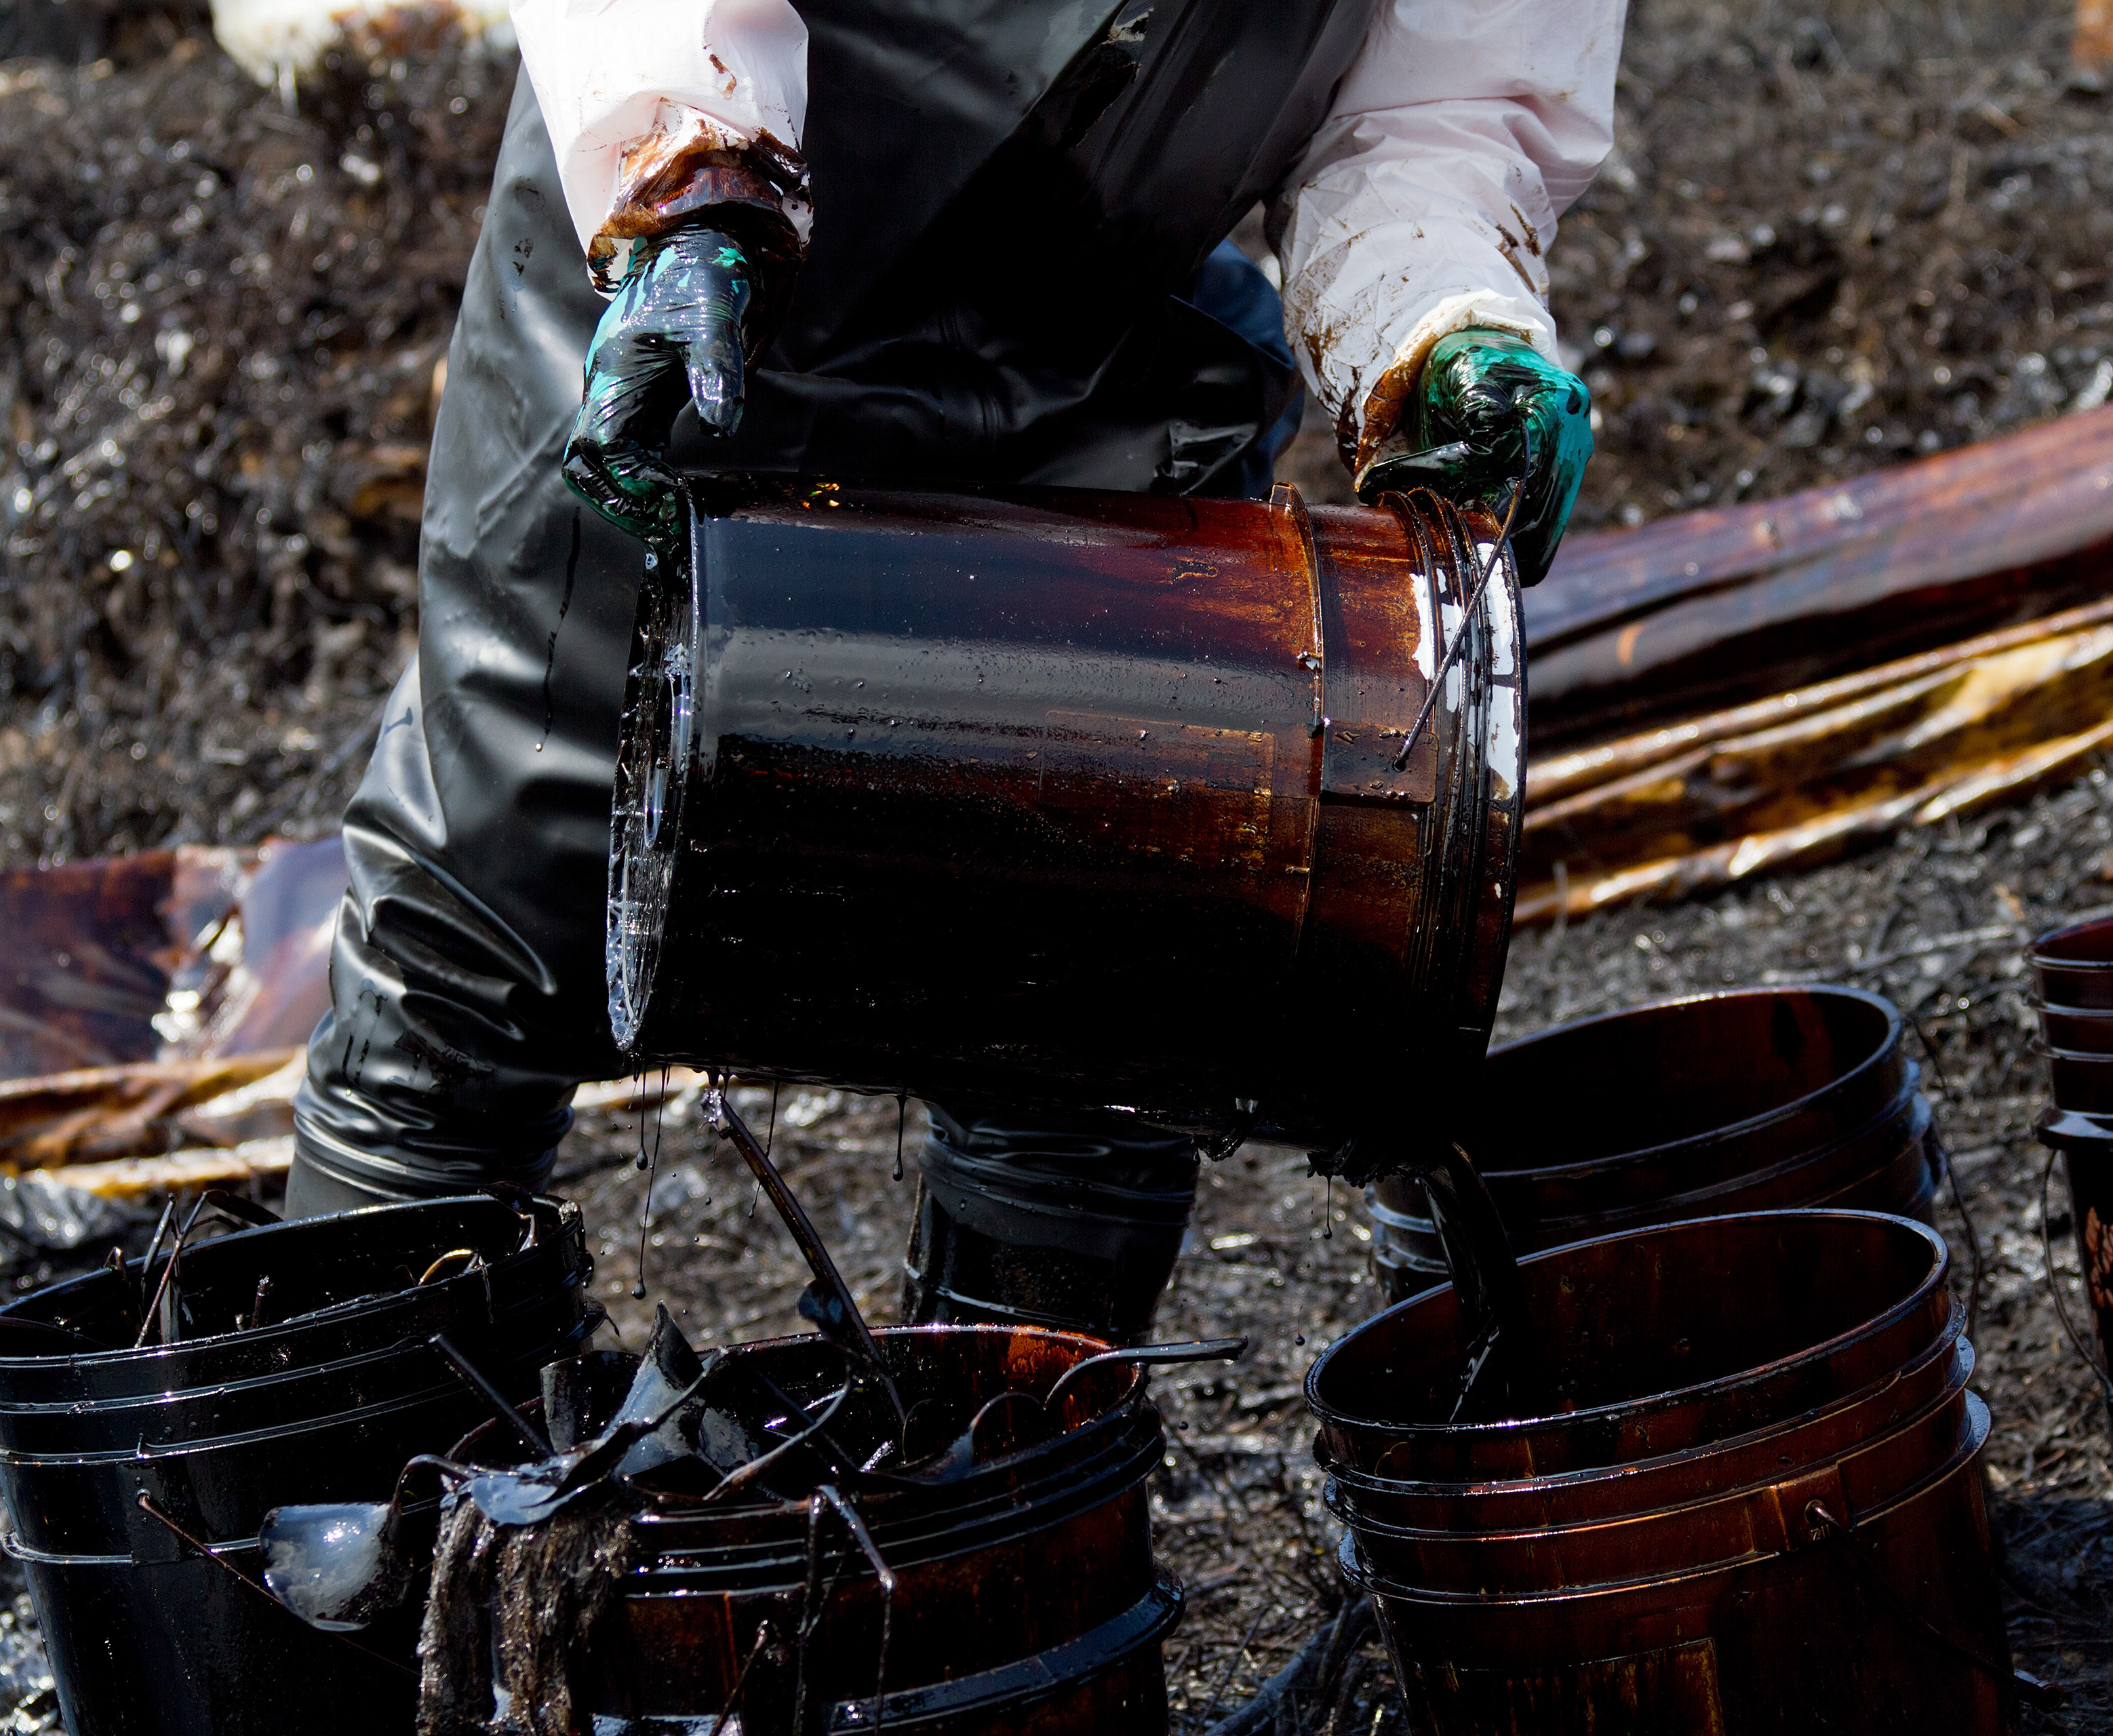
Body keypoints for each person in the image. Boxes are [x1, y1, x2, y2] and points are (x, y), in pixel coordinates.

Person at [283, 0, 1622, 1340]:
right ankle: (362, 1488)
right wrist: (685, 168)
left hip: (1088, 328)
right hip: (687, 291)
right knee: (501, 915)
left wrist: (1440, 324)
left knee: (1110, 945)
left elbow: (1438, 104)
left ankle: (1006, 1494)